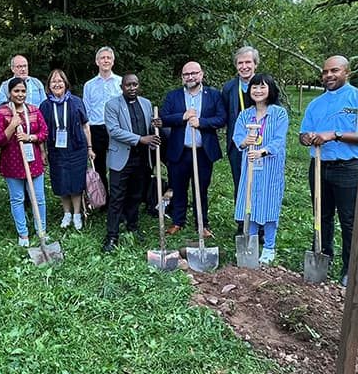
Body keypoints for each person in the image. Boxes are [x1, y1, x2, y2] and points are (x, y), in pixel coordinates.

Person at [299, 55, 358, 285]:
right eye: (325, 72)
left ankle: (350, 268)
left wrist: (334, 135)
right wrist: (307, 138)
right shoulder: (316, 104)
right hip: (319, 166)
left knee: (348, 219)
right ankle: (323, 255)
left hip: (348, 168)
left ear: (347, 72)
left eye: (334, 71)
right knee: (322, 215)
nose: (328, 76)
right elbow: (302, 134)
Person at [161, 61, 226, 237]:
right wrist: (182, 117)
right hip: (180, 151)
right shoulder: (173, 96)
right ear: (182, 77)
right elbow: (163, 118)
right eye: (186, 74)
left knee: (201, 188)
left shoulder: (213, 95)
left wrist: (202, 122)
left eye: (193, 73)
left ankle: (202, 224)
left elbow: (221, 118)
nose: (190, 77)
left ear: (201, 74)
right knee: (178, 187)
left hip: (203, 152)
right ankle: (177, 221)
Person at [233, 74, 289, 264]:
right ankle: (251, 245)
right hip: (250, 166)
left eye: (262, 87)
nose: (258, 91)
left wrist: (262, 152)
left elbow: (279, 140)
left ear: (270, 90)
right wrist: (244, 142)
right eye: (254, 87)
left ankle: (269, 247)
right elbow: (238, 138)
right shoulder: (245, 114)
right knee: (251, 202)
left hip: (270, 167)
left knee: (269, 204)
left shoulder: (279, 113)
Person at [102, 73, 159, 252]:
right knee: (117, 197)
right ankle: (112, 236)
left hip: (141, 159)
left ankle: (133, 227)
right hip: (121, 158)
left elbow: (149, 128)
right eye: (128, 85)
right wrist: (141, 139)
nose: (132, 88)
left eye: (135, 84)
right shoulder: (112, 105)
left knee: (136, 195)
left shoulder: (147, 103)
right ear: (122, 87)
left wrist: (156, 125)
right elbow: (114, 131)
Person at [0, 78, 49, 245]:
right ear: (9, 93)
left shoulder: (33, 111)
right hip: (12, 163)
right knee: (17, 199)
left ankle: (41, 230)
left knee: (39, 198)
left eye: (23, 91)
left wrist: (30, 137)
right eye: (16, 91)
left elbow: (44, 132)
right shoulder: (2, 113)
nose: (20, 94)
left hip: (34, 161)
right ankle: (23, 234)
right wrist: (12, 126)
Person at [39, 69, 94, 230]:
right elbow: (42, 132)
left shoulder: (76, 101)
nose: (57, 84)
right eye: (53, 82)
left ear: (65, 83)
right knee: (61, 181)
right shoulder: (45, 105)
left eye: (60, 81)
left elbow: (85, 126)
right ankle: (67, 213)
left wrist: (90, 147)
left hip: (77, 148)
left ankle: (77, 214)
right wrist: (43, 151)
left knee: (76, 182)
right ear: (49, 86)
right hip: (56, 150)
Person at [82, 46, 122, 201]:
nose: (105, 60)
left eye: (108, 58)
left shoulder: (120, 82)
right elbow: (86, 111)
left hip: (116, 128)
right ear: (97, 61)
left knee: (117, 166)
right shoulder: (89, 85)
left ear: (113, 61)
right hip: (96, 128)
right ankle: (103, 199)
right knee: (99, 166)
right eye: (102, 58)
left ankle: (118, 199)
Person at [222, 46, 258, 198]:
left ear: (255, 64)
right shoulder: (229, 88)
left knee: (259, 182)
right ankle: (241, 221)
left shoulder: (265, 85)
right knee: (240, 181)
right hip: (237, 144)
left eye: (248, 62)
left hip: (261, 143)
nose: (244, 67)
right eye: (240, 63)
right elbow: (223, 115)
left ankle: (260, 219)